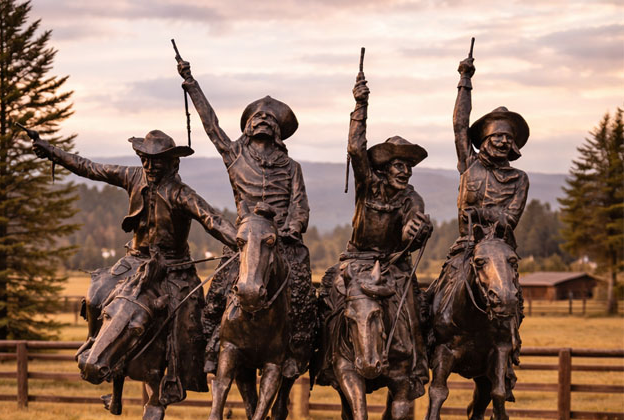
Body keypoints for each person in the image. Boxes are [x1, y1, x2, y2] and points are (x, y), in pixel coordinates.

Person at [31, 129, 236, 404]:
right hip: (135, 260)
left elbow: (212, 219)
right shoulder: (132, 176)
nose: (149, 166)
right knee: (95, 297)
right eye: (145, 159)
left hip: (174, 269)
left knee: (190, 327)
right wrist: (52, 152)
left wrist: (244, 240)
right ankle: (94, 345)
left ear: (172, 163)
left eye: (157, 161)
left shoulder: (181, 194)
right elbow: (89, 167)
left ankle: (179, 377)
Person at [176, 59, 316, 377]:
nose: (263, 120)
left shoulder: (292, 167)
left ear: (278, 131)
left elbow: (300, 207)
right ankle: (213, 348)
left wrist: (292, 229)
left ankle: (297, 351)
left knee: (302, 295)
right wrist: (192, 84)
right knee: (218, 293)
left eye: (270, 118)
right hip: (244, 241)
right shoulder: (234, 156)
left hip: (282, 241)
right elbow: (211, 126)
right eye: (257, 117)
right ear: (248, 127)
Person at [319, 70, 432, 398]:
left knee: (414, 312)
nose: (405, 171)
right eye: (399, 165)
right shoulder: (367, 185)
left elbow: (414, 230)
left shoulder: (412, 197)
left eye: (408, 167)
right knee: (330, 308)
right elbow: (356, 149)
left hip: (394, 267)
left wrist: (418, 232)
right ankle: (326, 361)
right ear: (384, 167)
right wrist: (360, 105)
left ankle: (415, 368)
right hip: (356, 262)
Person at [452, 53, 529, 249]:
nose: (503, 142)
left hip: (499, 246)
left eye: (508, 138)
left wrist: (481, 213)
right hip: (466, 246)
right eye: (498, 136)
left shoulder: (520, 179)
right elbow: (460, 125)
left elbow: (510, 219)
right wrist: (465, 79)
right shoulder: (470, 163)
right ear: (486, 141)